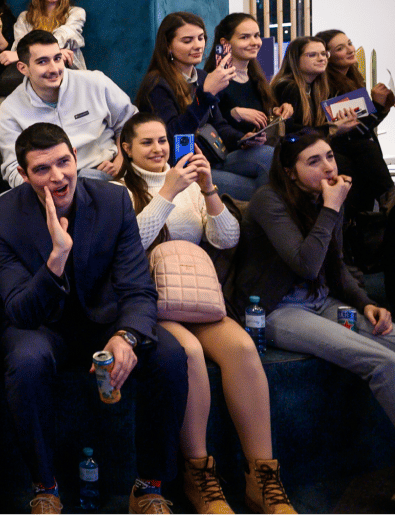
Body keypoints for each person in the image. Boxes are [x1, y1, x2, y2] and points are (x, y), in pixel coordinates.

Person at [0, 122, 187, 515]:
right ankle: (46, 487)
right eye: (42, 169)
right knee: (25, 362)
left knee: (170, 355)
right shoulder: (3, 215)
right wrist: (56, 259)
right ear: (24, 175)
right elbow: (18, 309)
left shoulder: (113, 201)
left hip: (105, 322)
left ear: (77, 157)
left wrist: (127, 336)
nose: (58, 176)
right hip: (42, 326)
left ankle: (149, 487)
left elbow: (139, 289)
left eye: (64, 162)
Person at [116, 114, 295, 515]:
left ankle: (261, 476)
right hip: (151, 301)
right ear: (126, 148)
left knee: (242, 349)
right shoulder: (116, 191)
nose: (159, 149)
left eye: (163, 140)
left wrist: (208, 187)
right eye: (146, 142)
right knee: (190, 356)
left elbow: (226, 238)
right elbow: (127, 247)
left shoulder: (193, 187)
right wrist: (166, 192)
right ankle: (200, 475)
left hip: (198, 296)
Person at [236, 130, 395, 430]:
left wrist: (366, 302)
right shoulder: (268, 200)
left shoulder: (325, 196)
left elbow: (335, 264)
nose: (328, 167)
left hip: (322, 300)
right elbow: (306, 265)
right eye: (313, 161)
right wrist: (331, 207)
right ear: (289, 172)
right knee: (382, 362)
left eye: (330, 156)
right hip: (276, 310)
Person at [137, 11, 271, 201]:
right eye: (187, 40)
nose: (198, 45)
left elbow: (220, 125)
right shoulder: (157, 84)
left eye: (201, 38)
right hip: (184, 167)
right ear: (168, 45)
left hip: (216, 157)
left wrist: (244, 139)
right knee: (256, 190)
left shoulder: (201, 77)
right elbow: (174, 138)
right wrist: (204, 96)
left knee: (269, 157)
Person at [0, 30, 135, 186]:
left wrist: (121, 160)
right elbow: (13, 168)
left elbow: (130, 123)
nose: (54, 69)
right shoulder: (10, 108)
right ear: (23, 68)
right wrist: (39, 191)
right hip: (48, 183)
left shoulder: (94, 82)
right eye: (42, 62)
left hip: (100, 173)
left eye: (57, 59)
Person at [316, 29, 395, 213]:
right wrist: (376, 105)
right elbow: (353, 132)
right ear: (328, 56)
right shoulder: (329, 86)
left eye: (349, 43)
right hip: (342, 153)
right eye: (340, 48)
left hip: (357, 153)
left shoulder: (351, 80)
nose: (350, 50)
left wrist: (383, 108)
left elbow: (365, 128)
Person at [204, 13, 292, 134]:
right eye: (244, 37)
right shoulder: (213, 79)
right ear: (225, 43)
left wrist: (277, 111)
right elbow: (209, 121)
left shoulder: (256, 76)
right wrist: (234, 114)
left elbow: (262, 116)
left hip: (260, 145)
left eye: (256, 36)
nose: (254, 42)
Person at [0, 0, 87, 70]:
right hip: (35, 77)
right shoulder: (25, 18)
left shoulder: (76, 13)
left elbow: (63, 34)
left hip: (68, 74)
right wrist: (58, 53)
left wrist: (29, 53)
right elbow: (20, 49)